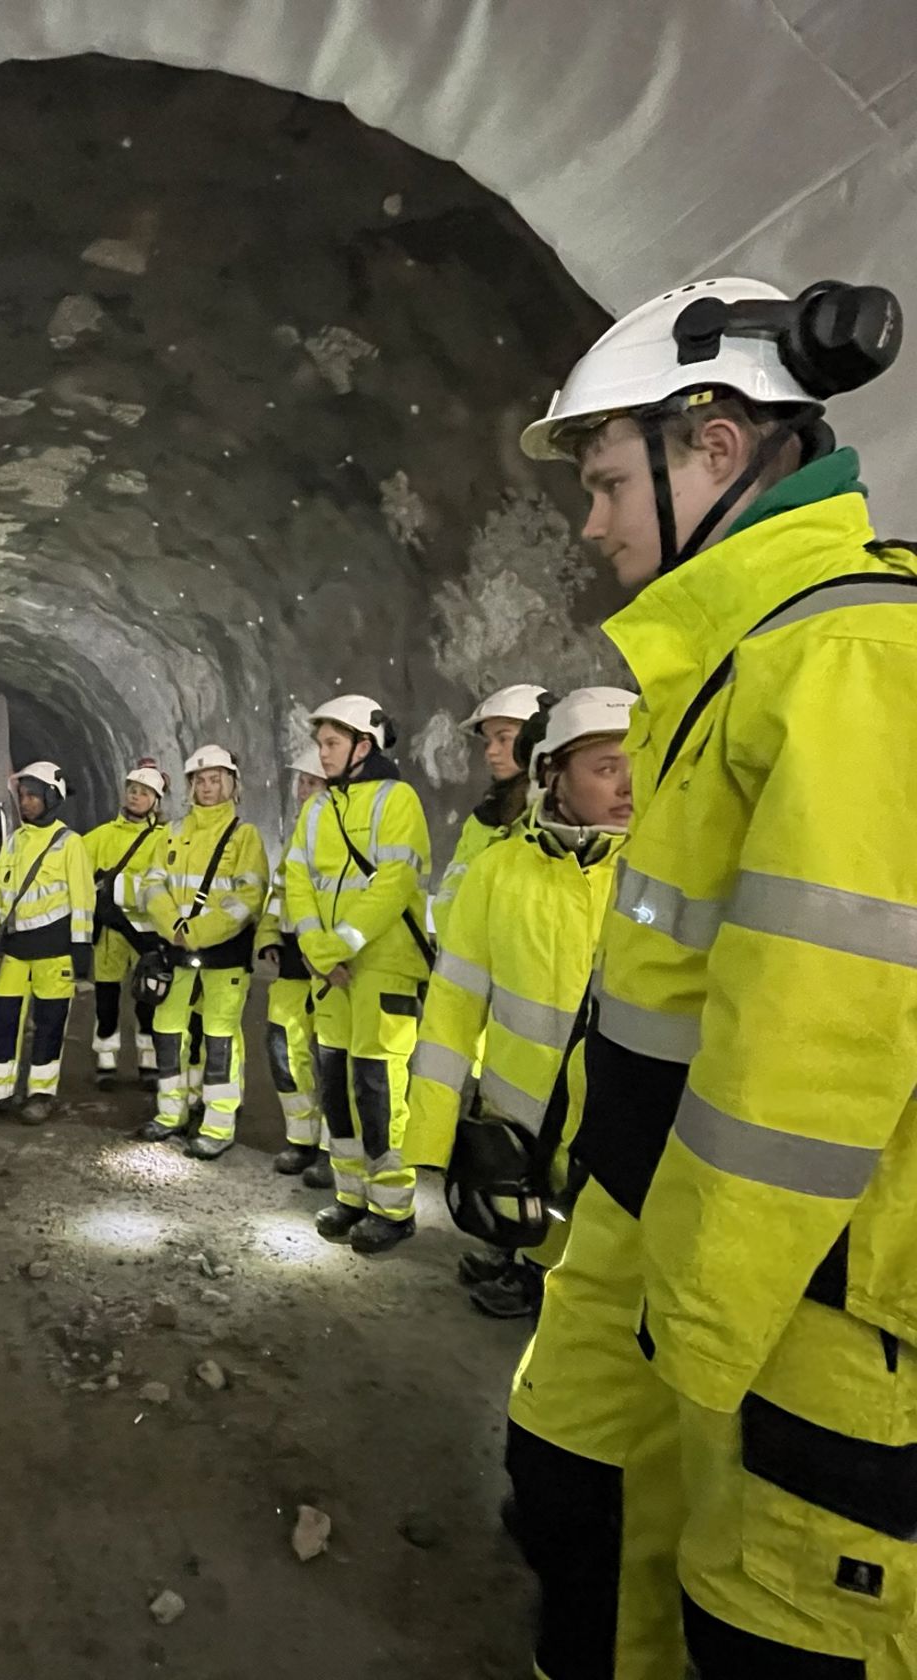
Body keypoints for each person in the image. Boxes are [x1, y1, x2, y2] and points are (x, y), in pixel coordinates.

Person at [507, 276, 913, 1679]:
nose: (593, 518)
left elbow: (818, 1053)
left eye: (610, 479)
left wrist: (699, 1348)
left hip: (805, 1299)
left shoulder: (854, 661)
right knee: (570, 1496)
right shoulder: (731, 663)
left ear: (718, 448)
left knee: (768, 1626)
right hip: (655, 1227)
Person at [406, 688, 635, 1319]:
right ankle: (524, 1270)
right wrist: (433, 1133)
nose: (628, 786)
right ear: (551, 775)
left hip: (623, 1125)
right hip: (519, 1119)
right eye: (607, 767)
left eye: (640, 763)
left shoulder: (662, 876)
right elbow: (453, 1007)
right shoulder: (499, 872)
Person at [284, 695, 432, 1254]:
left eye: (331, 744)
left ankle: (392, 1208)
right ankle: (350, 1196)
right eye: (320, 744)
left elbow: (394, 882)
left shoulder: (399, 800)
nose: (321, 756)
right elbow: (296, 878)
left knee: (378, 1089)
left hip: (383, 968)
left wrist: (339, 944)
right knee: (337, 1085)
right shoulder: (318, 810)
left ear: (363, 746)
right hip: (331, 972)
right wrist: (317, 951)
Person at [137, 745, 268, 1160]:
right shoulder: (173, 833)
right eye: (200, 781)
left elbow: (248, 898)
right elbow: (151, 885)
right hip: (176, 951)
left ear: (231, 784)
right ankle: (171, 1112)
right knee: (169, 1031)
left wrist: (194, 931)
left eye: (216, 780)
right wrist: (173, 926)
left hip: (224, 956)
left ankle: (218, 1122)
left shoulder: (244, 836)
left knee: (220, 1038)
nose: (208, 788)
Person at [0, 761, 94, 1126]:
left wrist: (81, 950)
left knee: (50, 1024)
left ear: (52, 797)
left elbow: (83, 900)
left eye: (33, 795)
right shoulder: (14, 842)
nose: (26, 802)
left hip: (55, 953)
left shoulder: (70, 844)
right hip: (15, 953)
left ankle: (41, 1094)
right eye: (23, 795)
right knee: (3, 1022)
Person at [255, 748, 330, 1178]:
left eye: (313, 783)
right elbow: (279, 894)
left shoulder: (340, 836)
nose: (304, 791)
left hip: (326, 967)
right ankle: (301, 1139)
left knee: (329, 1061)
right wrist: (268, 936)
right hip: (290, 964)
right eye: (302, 782)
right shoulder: (297, 835)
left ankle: (333, 1151)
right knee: (285, 1052)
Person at [430, 683, 551, 931]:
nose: (490, 752)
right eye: (488, 741)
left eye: (503, 738)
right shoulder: (483, 820)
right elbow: (448, 902)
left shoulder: (560, 819)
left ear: (537, 740)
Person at [82, 762, 168, 1091]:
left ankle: (148, 1061)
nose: (135, 796)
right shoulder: (103, 835)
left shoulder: (165, 839)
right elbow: (76, 865)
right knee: (107, 999)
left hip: (146, 935)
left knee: (147, 1000)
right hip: (111, 933)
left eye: (144, 792)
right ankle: (106, 1060)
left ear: (156, 800)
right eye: (132, 790)